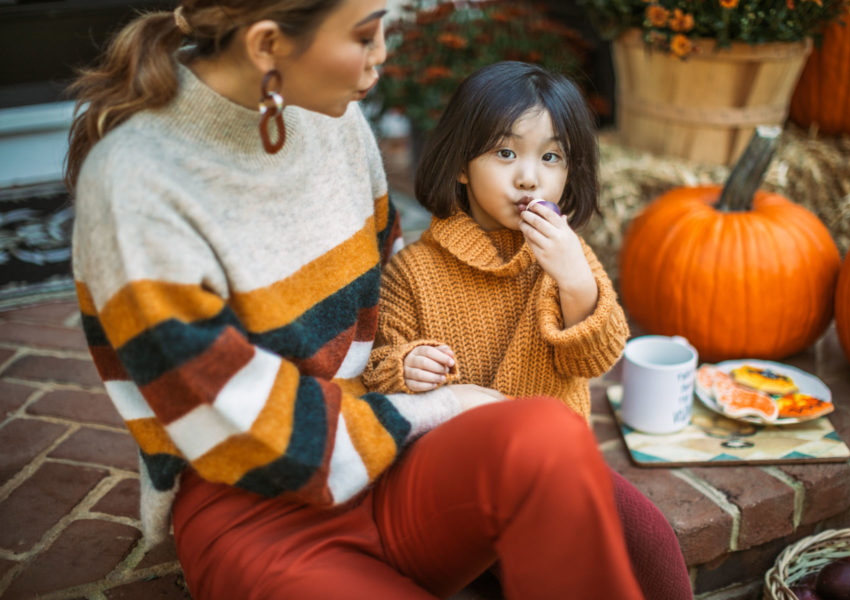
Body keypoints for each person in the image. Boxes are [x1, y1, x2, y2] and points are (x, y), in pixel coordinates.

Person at [65, 2, 645, 599]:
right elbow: (239, 423)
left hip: (390, 467)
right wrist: (437, 407)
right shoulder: (135, 185)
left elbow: (384, 310)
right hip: (258, 509)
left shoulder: (333, 119)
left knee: (605, 498)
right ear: (268, 46)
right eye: (366, 35)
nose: (383, 54)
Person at [364, 61, 693, 600]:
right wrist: (408, 365)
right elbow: (378, 370)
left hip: (557, 475)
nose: (528, 177)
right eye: (505, 152)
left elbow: (597, 355)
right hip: (464, 482)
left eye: (551, 157)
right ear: (462, 165)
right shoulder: (414, 271)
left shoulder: (566, 258)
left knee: (650, 538)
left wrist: (574, 279)